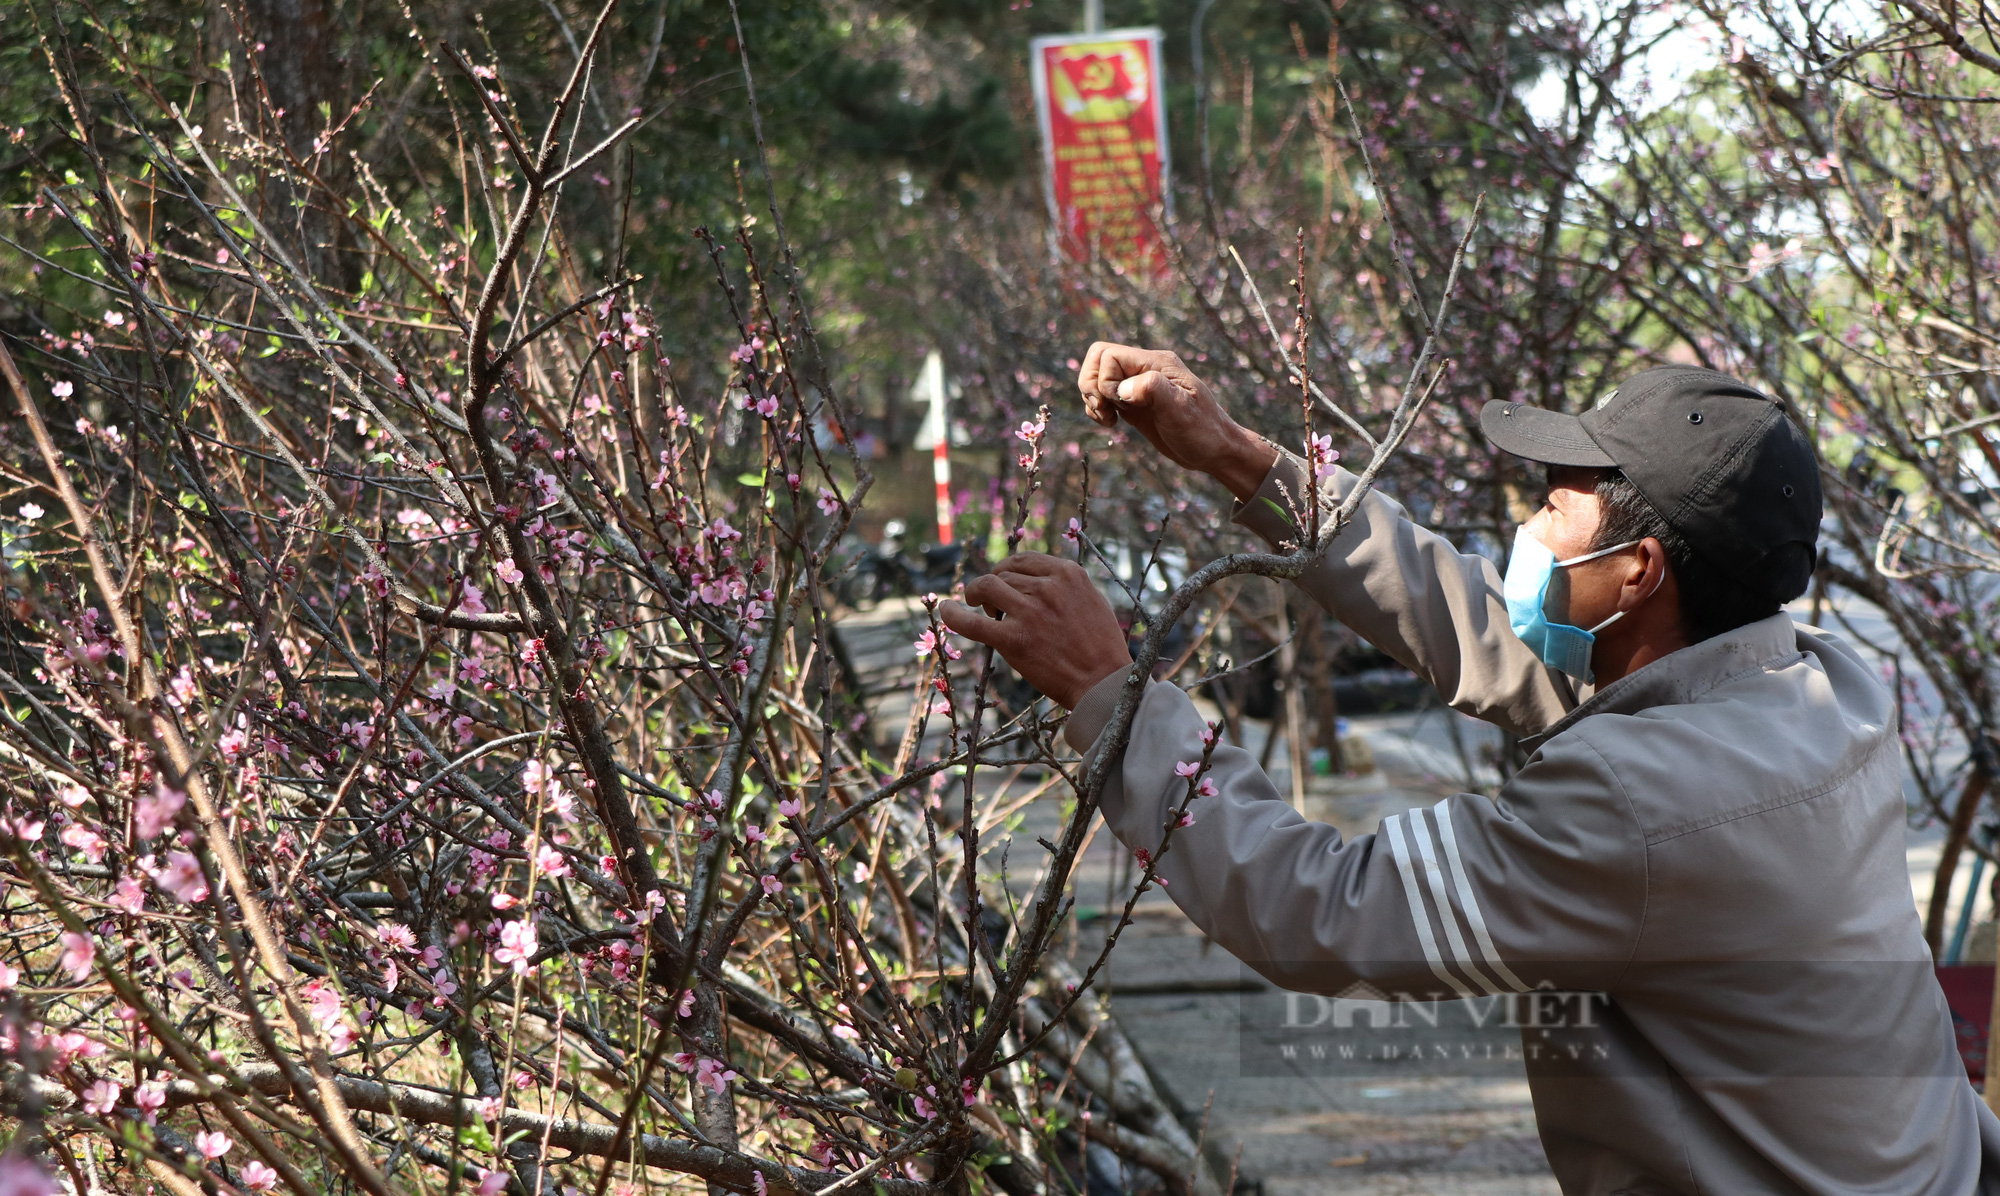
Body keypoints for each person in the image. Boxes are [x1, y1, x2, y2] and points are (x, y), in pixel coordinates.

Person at [939, 345, 2000, 1194]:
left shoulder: (1644, 804)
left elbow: (1320, 910)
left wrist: (1115, 702)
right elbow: (1481, 626)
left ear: (1635, 571)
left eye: (1554, 504)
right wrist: (1237, 459)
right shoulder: (1807, 684)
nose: (1523, 527)